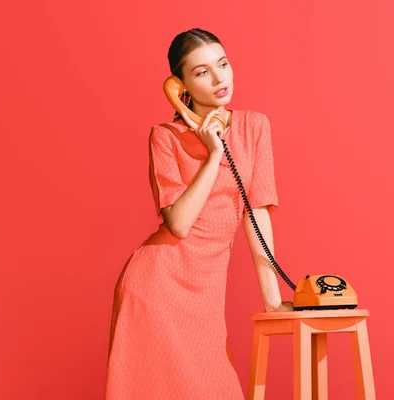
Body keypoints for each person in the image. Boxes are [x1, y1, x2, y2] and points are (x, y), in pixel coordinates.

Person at [105, 28, 293, 399]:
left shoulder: (254, 126)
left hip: (205, 298)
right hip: (155, 291)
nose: (220, 78)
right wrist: (213, 155)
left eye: (222, 64)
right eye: (202, 72)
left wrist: (271, 300)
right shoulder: (164, 136)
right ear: (179, 85)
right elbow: (178, 223)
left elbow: (256, 215)